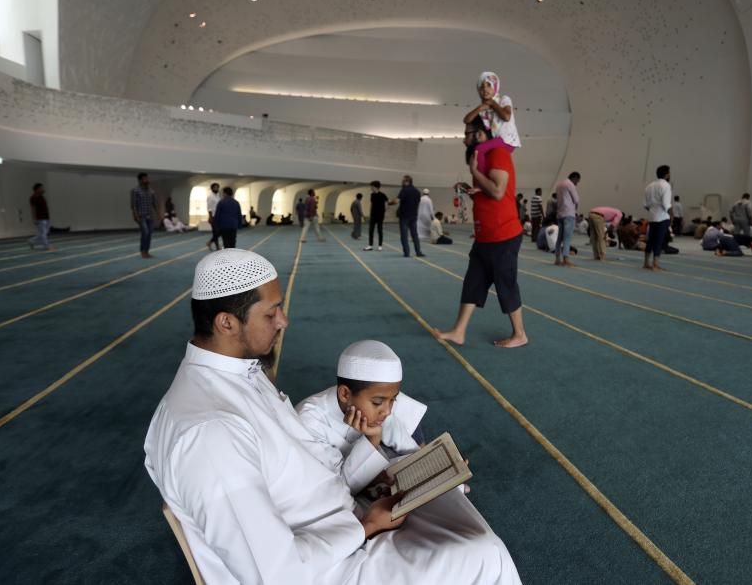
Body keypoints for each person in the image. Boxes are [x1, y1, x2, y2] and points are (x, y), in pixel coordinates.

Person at [143, 250, 522, 585]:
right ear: (226, 323)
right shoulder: (209, 433)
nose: (283, 321)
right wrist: (364, 527)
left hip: (340, 524)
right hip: (331, 568)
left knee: (447, 504)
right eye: (272, 312)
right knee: (484, 553)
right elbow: (273, 575)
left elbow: (304, 471)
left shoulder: (241, 374)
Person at [437, 116, 527, 348]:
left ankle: (519, 334)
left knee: (505, 283)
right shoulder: (484, 157)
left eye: (466, 134)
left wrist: (475, 172)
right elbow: (490, 191)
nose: (463, 140)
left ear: (479, 134)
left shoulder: (498, 154)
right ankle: (459, 331)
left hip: (503, 234)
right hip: (485, 236)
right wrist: (474, 189)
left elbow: (498, 191)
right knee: (473, 282)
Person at [295, 340, 427, 494]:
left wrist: (428, 461)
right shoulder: (309, 422)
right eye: (378, 402)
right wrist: (373, 439)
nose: (387, 411)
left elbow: (409, 448)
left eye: (393, 399)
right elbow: (340, 488)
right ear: (345, 394)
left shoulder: (380, 406)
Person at [462, 71, 521, 175]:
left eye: (489, 85)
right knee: (482, 154)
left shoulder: (504, 99)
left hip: (507, 140)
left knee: (479, 150)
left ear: (495, 87)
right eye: (481, 87)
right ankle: (485, 178)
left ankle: (482, 181)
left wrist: (493, 103)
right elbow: (466, 120)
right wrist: (480, 107)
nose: (485, 89)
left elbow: (506, 117)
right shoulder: (484, 110)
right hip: (498, 140)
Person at [642, 165, 672, 271]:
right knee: (659, 240)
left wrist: (652, 211)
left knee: (651, 240)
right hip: (662, 217)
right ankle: (655, 264)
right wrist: (670, 215)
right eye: (669, 173)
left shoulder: (649, 186)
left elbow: (645, 204)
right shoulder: (666, 186)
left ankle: (646, 262)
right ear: (666, 174)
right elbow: (666, 204)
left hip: (652, 217)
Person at [392, 175, 425, 258]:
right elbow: (418, 202)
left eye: (403, 181)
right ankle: (418, 252)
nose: (402, 183)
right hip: (413, 215)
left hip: (404, 216)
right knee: (415, 235)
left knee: (404, 235)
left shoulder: (404, 190)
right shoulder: (417, 191)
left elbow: (396, 201)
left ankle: (407, 253)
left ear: (407, 182)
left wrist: (389, 203)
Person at [553, 172, 580, 267]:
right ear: (575, 178)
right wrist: (575, 209)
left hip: (560, 214)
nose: (577, 184)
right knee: (567, 238)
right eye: (577, 181)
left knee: (559, 238)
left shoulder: (559, 184)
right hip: (569, 214)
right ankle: (566, 259)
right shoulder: (570, 184)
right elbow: (576, 200)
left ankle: (557, 259)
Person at [131, 172, 158, 259]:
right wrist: (135, 216)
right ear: (140, 180)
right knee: (145, 233)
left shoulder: (151, 191)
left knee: (149, 234)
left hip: (150, 216)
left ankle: (147, 251)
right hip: (141, 216)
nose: (147, 180)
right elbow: (134, 205)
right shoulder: (135, 191)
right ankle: (143, 252)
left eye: (147, 178)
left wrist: (158, 214)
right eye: (145, 178)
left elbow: (154, 204)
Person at [28, 183, 53, 251]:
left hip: (46, 217)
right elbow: (33, 208)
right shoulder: (33, 198)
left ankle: (31, 241)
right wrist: (34, 218)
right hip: (40, 218)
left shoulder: (42, 196)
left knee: (43, 233)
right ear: (37, 189)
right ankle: (46, 246)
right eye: (41, 188)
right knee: (43, 233)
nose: (43, 189)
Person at [364, 181, 388, 252]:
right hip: (373, 215)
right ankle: (370, 245)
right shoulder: (372, 195)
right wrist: (370, 213)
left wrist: (383, 212)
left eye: (371, 186)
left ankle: (380, 246)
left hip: (380, 216)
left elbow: (386, 204)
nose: (371, 188)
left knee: (379, 230)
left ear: (375, 187)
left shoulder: (383, 195)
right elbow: (372, 204)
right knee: (370, 230)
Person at [206, 183, 221, 251]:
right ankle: (217, 247)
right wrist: (210, 217)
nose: (216, 189)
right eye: (215, 187)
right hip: (213, 216)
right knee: (215, 232)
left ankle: (209, 242)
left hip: (219, 216)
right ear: (212, 188)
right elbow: (209, 208)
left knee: (220, 231)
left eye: (217, 187)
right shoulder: (210, 196)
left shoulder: (218, 196)